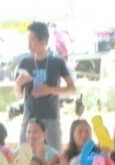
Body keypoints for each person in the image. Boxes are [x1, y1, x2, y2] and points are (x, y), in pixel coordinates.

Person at [15, 22, 75, 151]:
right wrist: (19, 83)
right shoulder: (25, 62)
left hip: (51, 119)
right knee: (24, 159)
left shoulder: (57, 62)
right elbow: (18, 93)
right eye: (28, 40)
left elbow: (72, 89)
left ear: (44, 41)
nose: (29, 44)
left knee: (54, 159)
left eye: (32, 40)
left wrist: (50, 90)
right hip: (29, 119)